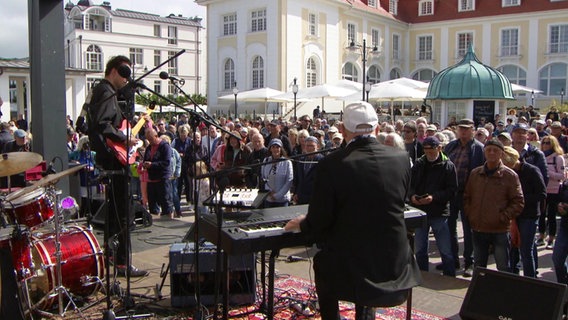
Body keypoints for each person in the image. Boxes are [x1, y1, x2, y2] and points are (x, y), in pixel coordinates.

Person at [285, 101, 421, 320]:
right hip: (394, 260)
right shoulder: (401, 159)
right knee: (366, 262)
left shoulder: (332, 164)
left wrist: (303, 223)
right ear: (377, 129)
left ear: (343, 130)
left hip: (352, 263)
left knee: (322, 262)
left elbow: (320, 220)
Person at [86, 55, 147, 277]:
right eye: (124, 72)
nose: (126, 78)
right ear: (113, 70)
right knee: (123, 213)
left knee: (115, 212)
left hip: (114, 157)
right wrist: (124, 138)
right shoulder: (105, 90)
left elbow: (109, 122)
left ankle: (111, 255)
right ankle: (122, 263)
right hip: (113, 158)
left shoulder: (108, 92)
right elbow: (102, 124)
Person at [464, 139, 524, 272]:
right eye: (488, 150)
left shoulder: (510, 176)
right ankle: (480, 292)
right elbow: (467, 197)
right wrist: (471, 214)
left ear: (502, 154)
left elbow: (518, 202)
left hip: (500, 230)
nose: (491, 153)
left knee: (503, 266)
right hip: (478, 228)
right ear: (484, 152)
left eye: (495, 150)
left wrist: (502, 217)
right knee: (479, 266)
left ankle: (503, 292)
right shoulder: (475, 173)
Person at [410, 136, 458, 277]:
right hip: (420, 212)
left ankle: (449, 276)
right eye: (426, 151)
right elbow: (410, 185)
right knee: (419, 249)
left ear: (439, 148)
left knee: (445, 249)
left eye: (432, 150)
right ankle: (423, 276)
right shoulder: (419, 164)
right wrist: (412, 197)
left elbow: (452, 190)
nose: (429, 154)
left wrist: (434, 197)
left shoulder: (448, 166)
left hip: (439, 212)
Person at [443, 118, 485, 277]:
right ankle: (452, 260)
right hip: (451, 193)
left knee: (469, 230)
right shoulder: (451, 146)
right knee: (449, 228)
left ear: (473, 130)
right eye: (461, 129)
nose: (464, 132)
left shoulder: (479, 149)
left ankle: (469, 262)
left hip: (469, 195)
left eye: (467, 129)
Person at [502, 146, 546, 278]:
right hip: (514, 215)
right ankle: (514, 275)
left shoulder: (532, 170)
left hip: (529, 215)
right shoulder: (508, 173)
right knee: (513, 248)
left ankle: (530, 279)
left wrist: (520, 199)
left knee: (526, 250)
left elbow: (542, 194)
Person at [537, 135, 566, 249]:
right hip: (542, 190)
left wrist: (548, 173)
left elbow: (562, 176)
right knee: (541, 215)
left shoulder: (558, 158)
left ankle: (551, 238)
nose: (545, 145)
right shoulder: (540, 157)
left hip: (554, 191)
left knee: (551, 216)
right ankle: (541, 236)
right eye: (543, 142)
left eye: (548, 143)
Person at [143, 128, 173, 218]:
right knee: (152, 205)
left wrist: (152, 165)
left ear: (156, 136)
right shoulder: (149, 147)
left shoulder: (165, 146)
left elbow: (166, 162)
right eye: (148, 140)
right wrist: (145, 164)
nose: (150, 141)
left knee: (166, 203)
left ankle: (169, 221)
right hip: (151, 179)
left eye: (151, 139)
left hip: (163, 179)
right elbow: (146, 159)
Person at [261, 138, 293, 207]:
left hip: (282, 199)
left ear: (281, 149)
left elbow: (289, 181)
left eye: (277, 147)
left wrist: (278, 195)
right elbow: (263, 177)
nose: (275, 149)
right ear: (270, 149)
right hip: (269, 198)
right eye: (273, 147)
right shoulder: (266, 161)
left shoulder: (287, 162)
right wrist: (269, 192)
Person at [293, 136, 324, 205]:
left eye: (312, 146)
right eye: (307, 146)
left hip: (315, 197)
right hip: (301, 197)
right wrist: (295, 193)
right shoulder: (301, 160)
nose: (309, 148)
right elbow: (297, 178)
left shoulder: (322, 161)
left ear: (317, 146)